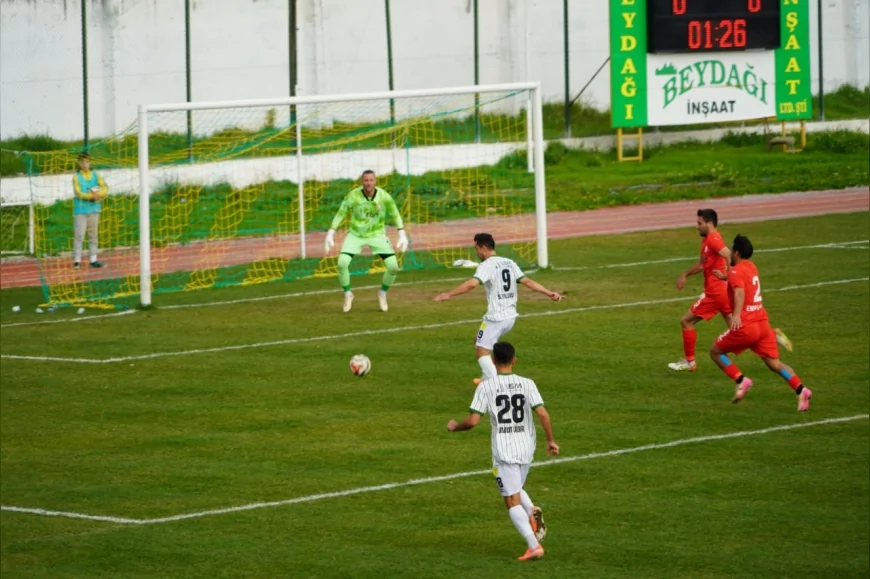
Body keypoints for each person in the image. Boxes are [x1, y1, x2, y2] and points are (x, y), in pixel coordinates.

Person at [446, 341, 559, 561]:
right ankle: (531, 510)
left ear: (494, 361)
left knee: (510, 500)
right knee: (516, 486)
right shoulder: (527, 383)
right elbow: (543, 414)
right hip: (527, 447)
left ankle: (533, 545)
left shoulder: (486, 386)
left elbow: (472, 421)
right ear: (514, 360)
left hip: (504, 450)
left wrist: (454, 427)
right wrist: (551, 441)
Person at [433, 233, 562, 384]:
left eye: (476, 248)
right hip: (510, 317)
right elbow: (527, 281)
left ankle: (494, 383)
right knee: (479, 338)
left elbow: (472, 284)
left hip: (496, 317)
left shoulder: (486, 265)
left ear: (483, 247)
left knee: (481, 351)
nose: (476, 253)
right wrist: (548, 292)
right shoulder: (509, 262)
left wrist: (449, 294)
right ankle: (487, 376)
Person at [709, 234, 812, 411]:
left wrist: (736, 315)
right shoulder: (751, 267)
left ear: (737, 252)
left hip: (747, 327)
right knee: (775, 364)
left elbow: (739, 292)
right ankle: (801, 390)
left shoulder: (735, 271)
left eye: (732, 250)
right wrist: (725, 277)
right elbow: (741, 279)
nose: (731, 253)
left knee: (715, 352)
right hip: (762, 325)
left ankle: (741, 380)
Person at [324, 170, 408, 312]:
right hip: (356, 235)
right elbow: (341, 212)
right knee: (342, 263)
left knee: (393, 267)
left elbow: (395, 213)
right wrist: (331, 232)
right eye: (366, 180)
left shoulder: (384, 196)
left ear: (375, 181)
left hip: (377, 235)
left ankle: (382, 293)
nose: (368, 183)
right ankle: (348, 294)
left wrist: (402, 233)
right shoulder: (354, 196)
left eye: (371, 180)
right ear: (361, 182)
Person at [668, 208, 732, 372]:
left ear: (709, 224)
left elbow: (729, 255)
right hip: (724, 292)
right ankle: (772, 336)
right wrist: (685, 274)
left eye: (699, 223)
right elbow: (703, 264)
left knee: (686, 321)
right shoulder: (707, 240)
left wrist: (728, 275)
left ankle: (690, 362)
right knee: (740, 330)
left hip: (715, 293)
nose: (696, 226)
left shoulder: (714, 240)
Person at [72, 152, 107, 269]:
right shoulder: (76, 177)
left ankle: (93, 260)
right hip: (81, 211)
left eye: (87, 161)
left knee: (93, 235)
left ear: (90, 162)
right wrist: (91, 196)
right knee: (79, 235)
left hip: (94, 209)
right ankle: (77, 260)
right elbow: (78, 193)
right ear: (79, 163)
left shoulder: (96, 175)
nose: (85, 164)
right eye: (82, 162)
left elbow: (105, 188)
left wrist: (99, 194)